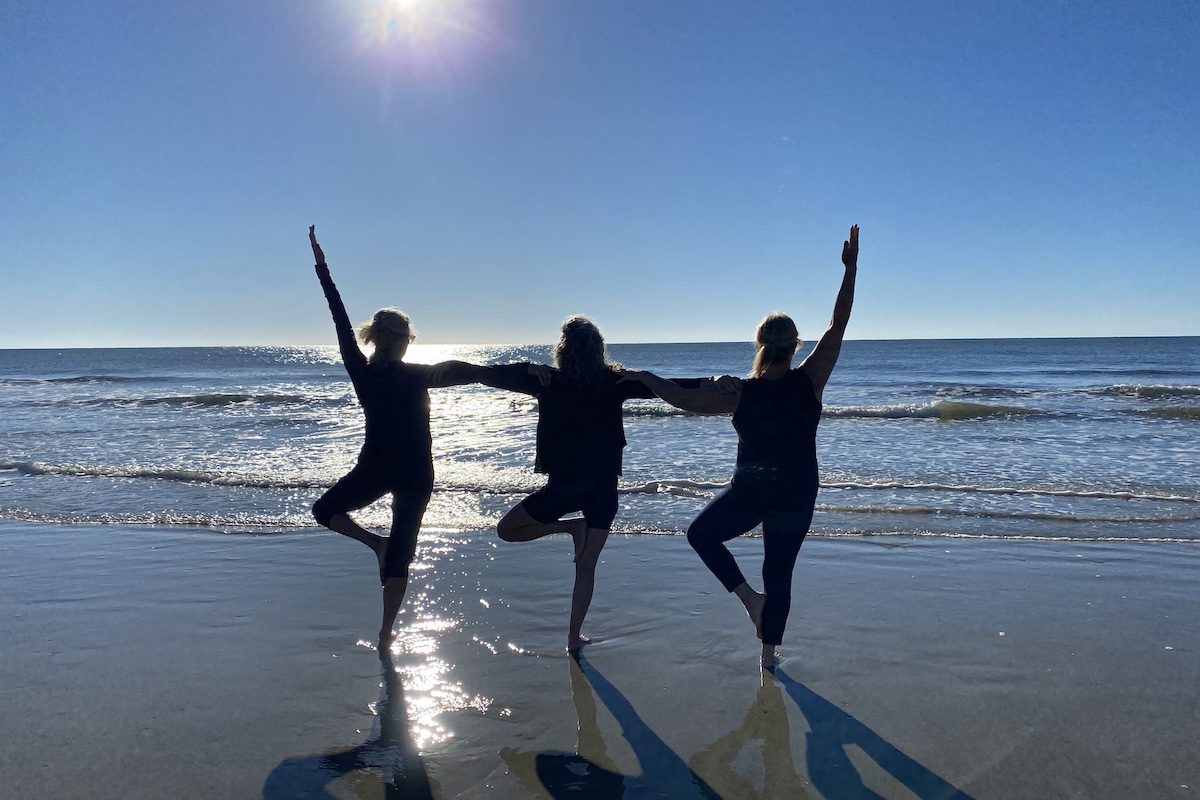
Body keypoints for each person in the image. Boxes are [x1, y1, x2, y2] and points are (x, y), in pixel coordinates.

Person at [625, 225, 859, 667]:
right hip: (796, 492)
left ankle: (750, 601)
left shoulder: (740, 391)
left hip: (751, 492)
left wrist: (643, 376)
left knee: (701, 535)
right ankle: (768, 657)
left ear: (759, 345)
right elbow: (839, 322)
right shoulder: (810, 379)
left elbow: (684, 400)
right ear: (795, 346)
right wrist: (850, 271)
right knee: (780, 571)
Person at [487, 317, 737, 651]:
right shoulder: (573, 381)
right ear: (598, 349)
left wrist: (528, 367)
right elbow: (677, 385)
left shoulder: (563, 381)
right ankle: (572, 537)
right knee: (580, 564)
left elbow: (492, 374)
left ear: (563, 350)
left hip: (577, 488)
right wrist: (714, 380)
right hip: (592, 490)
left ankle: (574, 637)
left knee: (516, 533)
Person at [307, 225, 501, 648]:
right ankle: (384, 634)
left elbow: (339, 318)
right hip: (414, 472)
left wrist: (323, 269)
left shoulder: (363, 371)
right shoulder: (419, 375)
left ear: (374, 339)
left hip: (375, 465)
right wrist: (529, 374)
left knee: (325, 510)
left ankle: (374, 546)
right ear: (405, 342)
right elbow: (475, 373)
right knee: (400, 555)